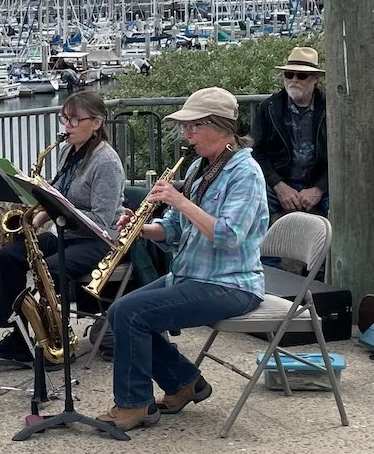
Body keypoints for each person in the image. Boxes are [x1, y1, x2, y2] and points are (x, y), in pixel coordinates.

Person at [97, 87, 268, 431]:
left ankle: (134, 405)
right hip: (192, 275)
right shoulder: (200, 168)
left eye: (194, 126)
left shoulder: (245, 174)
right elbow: (174, 228)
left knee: (133, 314)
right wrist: (142, 227)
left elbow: (228, 235)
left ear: (220, 127)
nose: (186, 134)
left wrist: (179, 200)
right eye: (185, 127)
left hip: (230, 283)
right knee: (118, 312)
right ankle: (184, 382)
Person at [0, 91, 125, 364]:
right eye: (65, 119)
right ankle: (19, 334)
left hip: (98, 240)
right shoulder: (67, 151)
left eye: (74, 120)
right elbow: (57, 193)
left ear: (96, 123)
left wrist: (57, 212)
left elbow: (103, 220)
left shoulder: (106, 162)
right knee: (8, 257)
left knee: (50, 267)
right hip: (66, 232)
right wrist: (39, 213)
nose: (67, 126)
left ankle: (56, 338)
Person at [251, 46, 328, 219]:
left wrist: (319, 188)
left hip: (321, 184)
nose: (294, 80)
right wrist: (279, 186)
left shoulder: (331, 108)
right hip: (278, 182)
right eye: (288, 74)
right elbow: (257, 151)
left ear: (315, 79)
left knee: (349, 209)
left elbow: (343, 155)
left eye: (301, 75)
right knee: (253, 208)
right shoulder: (268, 108)